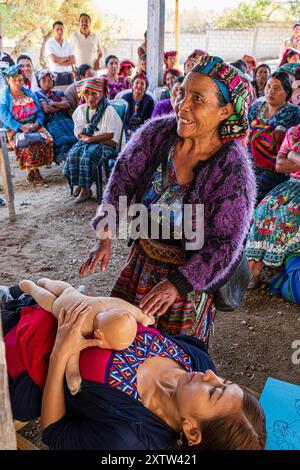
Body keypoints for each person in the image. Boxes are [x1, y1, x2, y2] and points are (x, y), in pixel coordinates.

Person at [80, 56, 256, 344]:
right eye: (182, 92)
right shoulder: (157, 134)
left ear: (225, 111)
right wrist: (106, 233)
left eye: (197, 98)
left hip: (185, 285)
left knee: (170, 364)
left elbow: (225, 245)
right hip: (141, 261)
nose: (182, 105)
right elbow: (122, 179)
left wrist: (176, 286)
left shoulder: (232, 170)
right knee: (116, 340)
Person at [2, 287, 267, 450]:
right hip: (52, 303)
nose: (211, 375)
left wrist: (61, 352)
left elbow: (54, 432)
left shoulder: (126, 439)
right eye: (224, 382)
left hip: (21, 348)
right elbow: (144, 327)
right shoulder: (197, 362)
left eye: (213, 392)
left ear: (192, 431)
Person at [19, 277, 154, 394]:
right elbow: (72, 352)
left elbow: (126, 307)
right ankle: (31, 288)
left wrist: (142, 317)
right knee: (49, 302)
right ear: (98, 334)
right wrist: (73, 376)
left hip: (71, 292)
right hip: (59, 306)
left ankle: (45, 282)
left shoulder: (107, 304)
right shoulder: (81, 326)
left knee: (63, 287)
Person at [246, 124, 300, 292]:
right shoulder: (294, 132)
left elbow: (285, 160)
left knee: (290, 214)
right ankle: (253, 270)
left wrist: (291, 154)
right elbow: (279, 165)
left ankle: (278, 272)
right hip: (292, 185)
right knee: (264, 208)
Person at [63, 77, 124, 203]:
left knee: (88, 155)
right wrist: (83, 137)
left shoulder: (108, 110)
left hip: (109, 143)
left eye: (94, 93)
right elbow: (78, 131)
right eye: (87, 94)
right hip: (91, 141)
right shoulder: (81, 110)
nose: (90, 97)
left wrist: (91, 139)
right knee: (73, 154)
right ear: (83, 96)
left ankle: (86, 189)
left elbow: (110, 135)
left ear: (100, 94)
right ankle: (80, 184)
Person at [248, 71, 300, 204]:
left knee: (252, 194)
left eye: (276, 88)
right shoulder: (256, 107)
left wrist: (258, 134)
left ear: (287, 92)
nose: (270, 91)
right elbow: (245, 135)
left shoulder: (292, 112)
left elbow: (277, 143)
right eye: (268, 86)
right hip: (250, 164)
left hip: (272, 170)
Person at [0, 64, 53, 184]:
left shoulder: (29, 93)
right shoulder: (4, 96)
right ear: (8, 80)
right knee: (25, 142)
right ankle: (32, 170)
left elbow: (39, 111)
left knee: (46, 139)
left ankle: (34, 169)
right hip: (14, 128)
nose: (18, 83)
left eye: (20, 80)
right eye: (14, 80)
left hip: (33, 125)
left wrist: (37, 124)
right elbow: (4, 116)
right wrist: (19, 127)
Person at [35, 70, 77, 163]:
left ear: (53, 82)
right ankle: (66, 158)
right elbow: (46, 109)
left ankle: (76, 155)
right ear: (39, 82)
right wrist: (60, 106)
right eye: (44, 81)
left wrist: (52, 103)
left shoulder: (58, 92)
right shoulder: (38, 94)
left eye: (49, 81)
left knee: (74, 132)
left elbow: (67, 105)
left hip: (65, 118)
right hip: (51, 121)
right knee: (61, 137)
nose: (47, 83)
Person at [122, 72, 154, 142]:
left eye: (142, 84)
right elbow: (121, 119)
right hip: (127, 130)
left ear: (145, 88)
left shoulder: (149, 100)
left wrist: (140, 132)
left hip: (142, 131)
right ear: (132, 85)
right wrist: (128, 130)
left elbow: (150, 121)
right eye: (137, 83)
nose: (139, 85)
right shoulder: (125, 98)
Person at [45, 21, 75, 86]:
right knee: (58, 96)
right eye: (57, 29)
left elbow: (73, 60)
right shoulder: (49, 44)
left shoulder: (68, 44)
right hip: (56, 76)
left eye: (61, 29)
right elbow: (54, 59)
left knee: (70, 95)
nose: (60, 32)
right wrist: (67, 58)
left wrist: (60, 62)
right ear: (53, 31)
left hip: (69, 76)